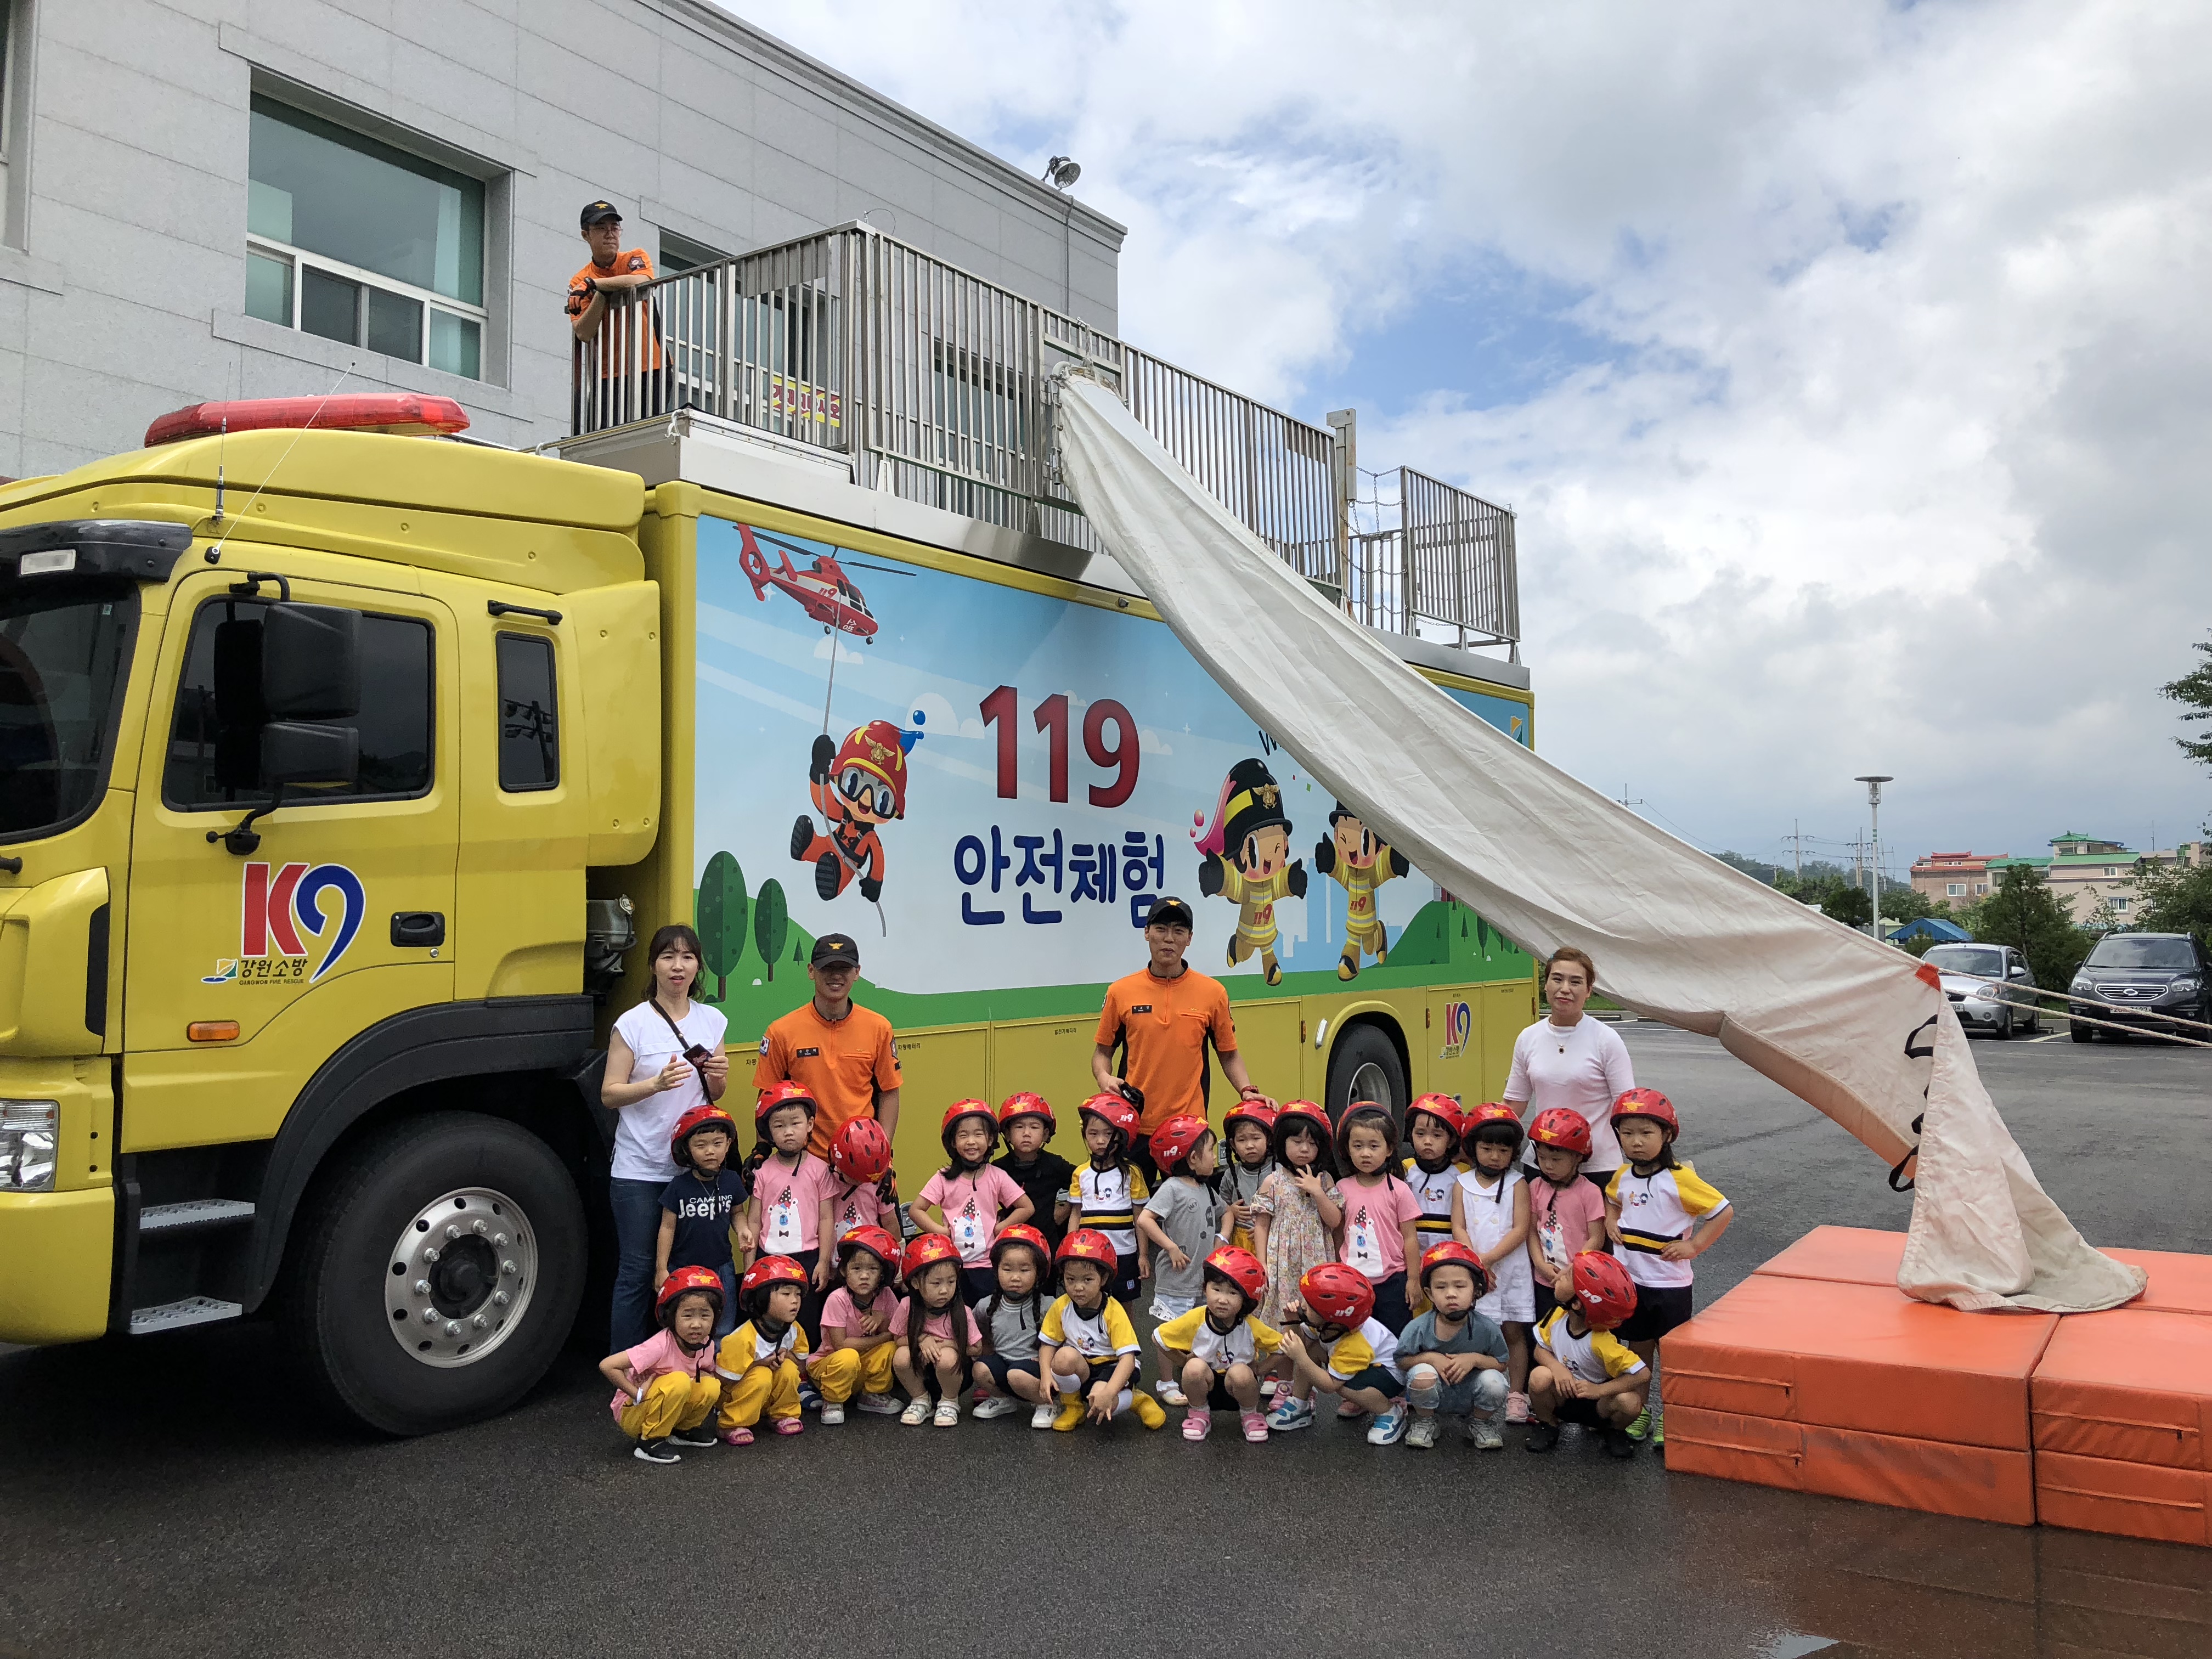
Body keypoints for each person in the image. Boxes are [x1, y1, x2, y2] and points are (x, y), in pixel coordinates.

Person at [600, 923, 729, 1349]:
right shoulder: (632, 1024)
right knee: (638, 1272)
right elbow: (609, 1094)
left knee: (689, 1270)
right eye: (668, 957)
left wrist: (718, 1075)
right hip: (639, 1170)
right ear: (653, 965)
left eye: (687, 957)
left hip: (694, 1171)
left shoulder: (712, 1020)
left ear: (697, 967)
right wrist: (654, 1084)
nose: (678, 966)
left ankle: (686, 1362)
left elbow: (715, 1094)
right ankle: (626, 1366)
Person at [1091, 895, 1269, 1180]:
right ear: (1147, 933)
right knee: (1135, 1202)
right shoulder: (1120, 992)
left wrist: (1246, 1090)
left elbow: (1228, 1054)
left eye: (1178, 931)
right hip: (1134, 1125)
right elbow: (1103, 1053)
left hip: (1189, 1126)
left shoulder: (1213, 993)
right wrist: (1104, 1078)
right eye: (1161, 929)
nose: (1169, 939)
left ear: (1189, 938)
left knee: (1189, 1203)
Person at [1604, 1089, 1733, 1448]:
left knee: (1670, 1351)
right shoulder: (1623, 1175)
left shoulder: (1680, 1178)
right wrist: (1612, 1219)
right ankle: (1641, 1410)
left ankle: (1672, 1414)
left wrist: (1695, 1246)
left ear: (1667, 1135)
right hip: (1632, 1281)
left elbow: (1722, 1211)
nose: (1637, 1141)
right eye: (1628, 1133)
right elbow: (1611, 1198)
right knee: (1638, 1348)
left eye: (1647, 1133)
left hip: (1670, 1284)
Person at [755, 933, 902, 1161]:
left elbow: (889, 1093)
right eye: (827, 968)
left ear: (857, 973)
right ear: (811, 971)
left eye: (844, 968)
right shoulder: (781, 1031)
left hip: (861, 1159)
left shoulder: (879, 1028)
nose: (836, 975)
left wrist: (882, 1152)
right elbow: (766, 1097)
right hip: (804, 1160)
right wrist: (761, 1151)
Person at [1506, 946, 1633, 1190]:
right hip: (1543, 1164)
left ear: (1589, 991)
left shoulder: (1606, 1039)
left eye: (1576, 982)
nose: (1565, 988)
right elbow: (1514, 1105)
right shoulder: (1528, 1038)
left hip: (1597, 1168)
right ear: (1546, 985)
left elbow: (1626, 1108)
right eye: (1557, 979)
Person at [1451, 1102, 1535, 1421]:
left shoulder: (1517, 1183)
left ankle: (1517, 1394)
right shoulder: (1463, 1184)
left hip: (1511, 1269)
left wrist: (1488, 1260)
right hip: (1474, 1270)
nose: (1495, 1156)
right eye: (1487, 1149)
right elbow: (1459, 1226)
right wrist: (1477, 1264)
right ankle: (1471, 1392)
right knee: (1474, 1331)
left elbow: (1521, 1228)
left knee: (1514, 1332)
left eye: (1503, 1150)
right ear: (1473, 1148)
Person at [1138, 1115, 1231, 1403]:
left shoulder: (1206, 1189)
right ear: (1192, 1158)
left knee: (1202, 1328)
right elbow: (1145, 1219)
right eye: (1210, 1151)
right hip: (1176, 1280)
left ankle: (1198, 1375)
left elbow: (1226, 1212)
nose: (1214, 1157)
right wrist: (1170, 1248)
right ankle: (1166, 1383)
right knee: (1169, 1333)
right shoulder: (1172, 1188)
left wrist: (1222, 1239)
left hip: (1201, 1280)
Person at [1038, 1229, 1168, 1432]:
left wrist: (1108, 1393)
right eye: (1071, 1279)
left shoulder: (1113, 1310)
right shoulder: (1061, 1306)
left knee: (1100, 1399)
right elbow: (1048, 1344)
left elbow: (1128, 1360)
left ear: (1104, 1278)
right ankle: (1074, 1407)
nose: (1078, 1287)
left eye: (1087, 1280)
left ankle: (1136, 1399)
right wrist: (1046, 1374)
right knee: (1062, 1358)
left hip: (1113, 1366)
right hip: (1084, 1366)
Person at [909, 1100, 1034, 1304]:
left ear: (990, 1139)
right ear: (952, 1142)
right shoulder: (943, 1178)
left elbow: (1026, 1207)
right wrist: (940, 1232)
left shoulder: (997, 1176)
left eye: (978, 1134)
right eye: (963, 1135)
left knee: (985, 1313)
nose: (971, 1141)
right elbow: (916, 1210)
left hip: (986, 1266)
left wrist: (1000, 1228)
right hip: (952, 1266)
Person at [1152, 1244, 1280, 1443]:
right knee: (1193, 1367)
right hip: (1206, 1385)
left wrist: (1260, 1370)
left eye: (1233, 1293)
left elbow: (1282, 1347)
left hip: (1239, 1388)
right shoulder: (1196, 1318)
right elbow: (1159, 1338)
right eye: (1217, 1289)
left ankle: (1250, 1415)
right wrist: (1184, 1361)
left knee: (1241, 1372)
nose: (1222, 1299)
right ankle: (1199, 1413)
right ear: (1205, 1288)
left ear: (1247, 1298)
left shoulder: (1249, 1325)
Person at [747, 1082, 836, 1363]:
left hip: (807, 1258)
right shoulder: (762, 1172)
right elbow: (753, 1221)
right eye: (779, 1126)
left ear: (810, 1125)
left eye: (795, 1123)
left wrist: (824, 1261)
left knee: (806, 1320)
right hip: (768, 1259)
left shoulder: (820, 1170)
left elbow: (826, 1218)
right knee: (769, 1322)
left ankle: (806, 1373)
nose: (788, 1132)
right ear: (768, 1132)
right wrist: (749, 1266)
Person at [1527, 1250, 1646, 1458]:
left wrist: (1599, 1390)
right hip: (1563, 1395)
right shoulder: (1557, 1315)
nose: (1560, 1275)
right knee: (1539, 1376)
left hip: (1598, 1405)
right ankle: (1548, 1424)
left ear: (1576, 1303)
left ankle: (1614, 1432)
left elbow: (1642, 1374)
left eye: (1566, 1277)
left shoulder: (1602, 1341)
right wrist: (1557, 1368)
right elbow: (1539, 1349)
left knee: (1631, 1403)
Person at [601, 1265, 724, 1464]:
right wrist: (637, 1394)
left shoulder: (706, 1345)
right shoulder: (659, 1345)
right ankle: (650, 1440)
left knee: (710, 1384)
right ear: (671, 1317)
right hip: (634, 1412)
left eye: (705, 1315)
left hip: (665, 1407)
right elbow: (608, 1365)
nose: (696, 1324)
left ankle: (683, 1430)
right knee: (679, 1381)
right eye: (687, 1315)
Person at [1271, 1262, 1406, 1440]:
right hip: (1368, 1366)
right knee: (1310, 1349)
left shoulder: (1355, 1343)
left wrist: (1301, 1358)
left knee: (1344, 1386)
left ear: (1332, 1317)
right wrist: (1292, 1321)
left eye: (1310, 1305)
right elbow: (1299, 1342)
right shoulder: (1331, 1324)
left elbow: (1329, 1386)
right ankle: (1299, 1404)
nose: (1302, 1306)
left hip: (1389, 1375)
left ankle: (1389, 1412)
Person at [1396, 1242, 1510, 1450]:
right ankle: (1426, 1420)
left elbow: (1501, 1363)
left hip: (1470, 1393)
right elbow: (1401, 1360)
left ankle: (1479, 1422)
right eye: (1441, 1287)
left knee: (1495, 1382)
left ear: (1476, 1291)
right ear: (1430, 1293)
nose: (1451, 1294)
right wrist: (1430, 1358)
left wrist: (1474, 1359)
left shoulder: (1487, 1328)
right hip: (1434, 1393)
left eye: (1460, 1286)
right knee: (1422, 1375)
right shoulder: (1418, 1327)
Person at [654, 1104, 752, 1340]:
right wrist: (661, 1269)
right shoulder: (678, 1187)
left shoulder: (731, 1181)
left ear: (728, 1145)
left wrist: (743, 1230)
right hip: (682, 1268)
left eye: (718, 1144)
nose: (710, 1151)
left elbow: (737, 1213)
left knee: (723, 1325)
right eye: (701, 1145)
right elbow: (667, 1228)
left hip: (722, 1267)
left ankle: (718, 1362)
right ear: (687, 1149)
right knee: (682, 1325)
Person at [566, 201, 670, 420]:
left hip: (650, 367)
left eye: (614, 227)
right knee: (602, 434)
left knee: (645, 432)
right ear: (586, 235)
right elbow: (583, 332)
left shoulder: (634, 257)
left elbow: (641, 280)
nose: (610, 234)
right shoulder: (578, 280)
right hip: (608, 374)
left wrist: (594, 285)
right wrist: (601, 292)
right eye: (601, 228)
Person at [1333, 1102, 1424, 1344]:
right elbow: (1339, 1234)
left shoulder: (1399, 1190)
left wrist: (1413, 1280)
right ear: (1347, 1149)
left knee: (1395, 1341)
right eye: (1358, 1146)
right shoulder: (1342, 1188)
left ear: (1389, 1149)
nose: (1366, 1153)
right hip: (1352, 1281)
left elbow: (1410, 1238)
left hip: (1392, 1281)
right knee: (1353, 1341)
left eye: (1374, 1146)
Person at [1249, 1099, 1341, 1331]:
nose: (1304, 1149)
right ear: (1283, 1143)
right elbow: (1262, 1225)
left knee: (1316, 1313)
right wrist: (1262, 1262)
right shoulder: (1274, 1181)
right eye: (1297, 1142)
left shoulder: (1325, 1180)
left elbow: (1335, 1221)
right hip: (1282, 1262)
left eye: (1312, 1143)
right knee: (1284, 1315)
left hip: (1317, 1260)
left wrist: (1318, 1192)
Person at [1056, 1093, 1150, 1305]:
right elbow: (1076, 1214)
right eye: (1093, 1133)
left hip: (1124, 1252)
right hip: (1090, 1252)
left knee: (1124, 1305)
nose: (1100, 1141)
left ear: (1122, 1135)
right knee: (1089, 1302)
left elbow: (1140, 1217)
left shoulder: (1132, 1173)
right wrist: (1070, 1250)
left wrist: (1143, 1255)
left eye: (1108, 1134)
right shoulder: (1080, 1173)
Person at [713, 1255, 812, 1445]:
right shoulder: (741, 1338)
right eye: (786, 1294)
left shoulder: (795, 1330)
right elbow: (722, 1381)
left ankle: (782, 1414)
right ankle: (731, 1424)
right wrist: (759, 1364)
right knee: (761, 1375)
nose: (795, 1301)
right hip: (732, 1398)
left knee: (789, 1369)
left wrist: (786, 1356)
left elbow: (801, 1368)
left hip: (764, 1397)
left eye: (798, 1294)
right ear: (762, 1298)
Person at [1523, 1107, 1608, 1328]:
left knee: (1577, 1330)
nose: (1548, 1165)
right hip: (1544, 1278)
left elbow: (1596, 1238)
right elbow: (1531, 1230)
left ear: (1578, 1157)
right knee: (1543, 1331)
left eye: (1557, 1159)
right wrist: (1539, 1264)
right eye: (1542, 1158)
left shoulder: (1589, 1192)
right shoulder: (1536, 1187)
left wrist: (1573, 1268)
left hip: (1578, 1281)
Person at [811, 1226, 904, 1424]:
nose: (864, 1276)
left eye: (873, 1269)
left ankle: (871, 1394)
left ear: (882, 1274)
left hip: (860, 1367)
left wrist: (882, 1320)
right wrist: (884, 1336)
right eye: (857, 1269)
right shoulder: (837, 1299)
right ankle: (833, 1400)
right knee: (849, 1356)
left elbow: (898, 1334)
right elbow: (841, 1345)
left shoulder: (886, 1295)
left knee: (892, 1348)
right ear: (844, 1271)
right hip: (829, 1367)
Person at [890, 1234, 982, 1426]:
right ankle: (920, 1400)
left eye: (951, 1282)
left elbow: (977, 1348)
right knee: (901, 1356)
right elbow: (898, 1339)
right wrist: (921, 1340)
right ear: (916, 1283)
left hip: (954, 1373)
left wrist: (947, 1345)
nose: (944, 1290)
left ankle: (950, 1402)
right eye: (936, 1283)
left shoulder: (962, 1311)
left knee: (947, 1357)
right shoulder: (907, 1306)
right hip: (922, 1372)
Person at [970, 1223, 1056, 1426]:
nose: (1015, 1277)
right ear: (996, 1270)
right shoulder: (986, 1305)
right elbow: (977, 1331)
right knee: (980, 1369)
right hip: (1004, 1364)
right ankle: (1003, 1400)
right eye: (1007, 1269)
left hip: (1035, 1369)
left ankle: (1047, 1404)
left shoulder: (1049, 1306)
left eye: (1025, 1270)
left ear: (1039, 1272)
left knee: (1016, 1375)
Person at [994, 1093, 1075, 1253]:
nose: (1027, 1133)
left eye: (1034, 1127)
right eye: (1019, 1127)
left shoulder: (1055, 1164)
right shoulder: (998, 1169)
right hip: (1009, 1245)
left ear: (1045, 1134)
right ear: (1007, 1134)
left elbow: (1085, 1182)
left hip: (1048, 1245)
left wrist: (1067, 1209)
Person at [1401, 1094, 1469, 1286]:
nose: (1428, 1141)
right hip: (1414, 1256)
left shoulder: (1462, 1172)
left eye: (1437, 1135)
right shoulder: (1406, 1169)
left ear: (1451, 1140)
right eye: (1420, 1134)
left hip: (1451, 1255)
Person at [822, 1117, 899, 1268]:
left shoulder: (879, 1183)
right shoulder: (825, 1180)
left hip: (870, 1260)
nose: (861, 1182)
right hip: (834, 1262)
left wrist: (898, 1253)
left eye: (866, 1179)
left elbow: (890, 1222)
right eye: (855, 1178)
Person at [1217, 1099, 1278, 1254]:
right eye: (1242, 1140)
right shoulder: (1231, 1175)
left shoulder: (1279, 1172)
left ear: (1269, 1139)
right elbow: (1221, 1207)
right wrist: (1231, 1211)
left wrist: (1267, 1228)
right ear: (1233, 1145)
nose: (1249, 1145)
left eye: (1256, 1138)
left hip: (1272, 1240)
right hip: (1240, 1242)